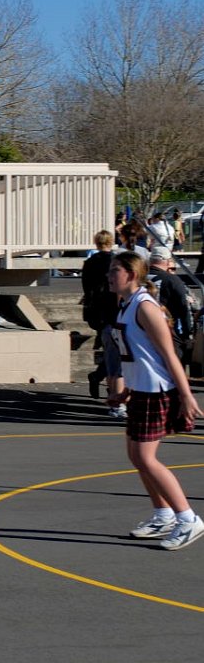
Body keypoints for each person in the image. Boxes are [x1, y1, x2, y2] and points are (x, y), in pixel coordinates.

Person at [106, 251, 204, 550]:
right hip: (140, 389)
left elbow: (168, 356)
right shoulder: (125, 305)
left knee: (146, 458)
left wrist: (186, 395)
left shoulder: (145, 307)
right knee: (137, 457)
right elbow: (137, 356)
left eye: (114, 270)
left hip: (157, 390)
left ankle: (188, 518)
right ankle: (163, 514)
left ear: (131, 274)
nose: (109, 275)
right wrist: (127, 390)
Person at [81, 230, 120, 404]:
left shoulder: (89, 262)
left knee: (109, 346)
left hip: (96, 309)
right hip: (112, 307)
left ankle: (101, 376)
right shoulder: (115, 261)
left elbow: (86, 286)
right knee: (115, 349)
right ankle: (106, 380)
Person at [148, 248, 195, 361]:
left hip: (141, 331)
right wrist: (188, 334)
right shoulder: (171, 279)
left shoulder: (138, 278)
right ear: (167, 261)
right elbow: (184, 308)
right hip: (168, 332)